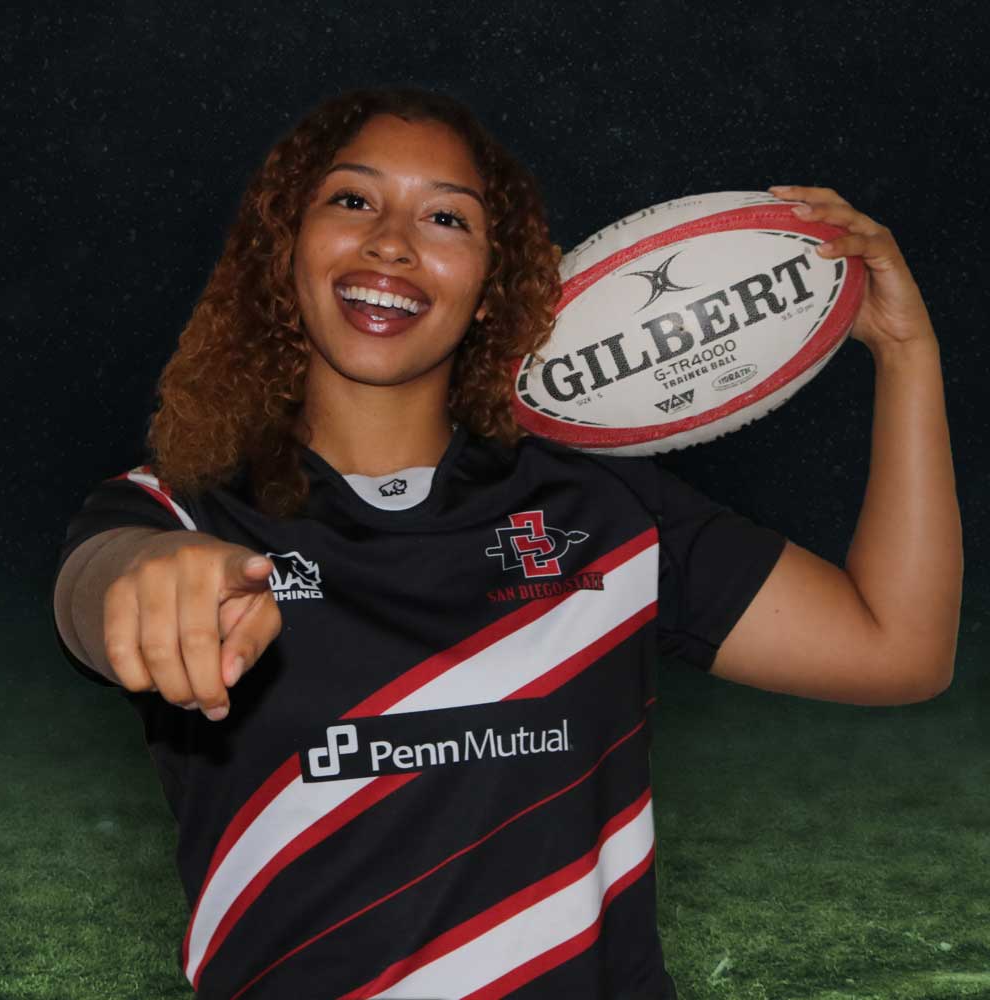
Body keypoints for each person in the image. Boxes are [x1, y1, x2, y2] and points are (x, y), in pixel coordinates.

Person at [51, 87, 962, 1000]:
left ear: (496, 283)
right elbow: (97, 590)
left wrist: (906, 354)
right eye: (353, 200)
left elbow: (899, 649)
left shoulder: (603, 507)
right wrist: (141, 578)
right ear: (285, 245)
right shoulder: (179, 515)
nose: (393, 241)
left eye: (447, 217)